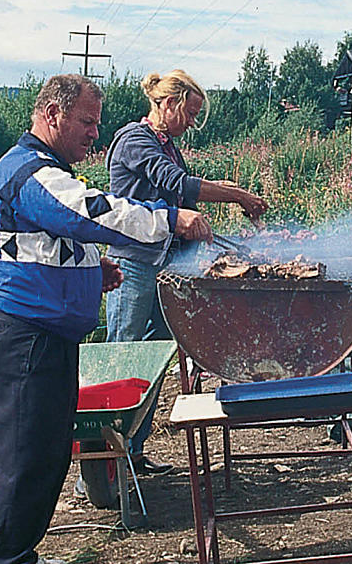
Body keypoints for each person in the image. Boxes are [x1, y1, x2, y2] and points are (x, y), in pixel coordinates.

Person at [0, 73, 212, 564]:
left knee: (49, 451)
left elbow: (54, 241)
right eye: (87, 121)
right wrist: (167, 218)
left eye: (98, 121)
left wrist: (91, 273)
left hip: (49, 338)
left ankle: (23, 557)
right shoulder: (28, 171)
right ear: (53, 114)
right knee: (22, 457)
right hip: (23, 339)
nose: (94, 132)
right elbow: (86, 212)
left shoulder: (45, 170)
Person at [105, 69, 267, 470]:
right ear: (167, 103)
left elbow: (179, 192)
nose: (192, 122)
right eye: (189, 112)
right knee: (124, 359)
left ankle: (134, 453)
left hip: (161, 266)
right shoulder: (134, 141)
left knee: (154, 360)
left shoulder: (167, 145)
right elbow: (176, 184)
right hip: (133, 265)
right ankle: (103, 466)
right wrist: (236, 195)